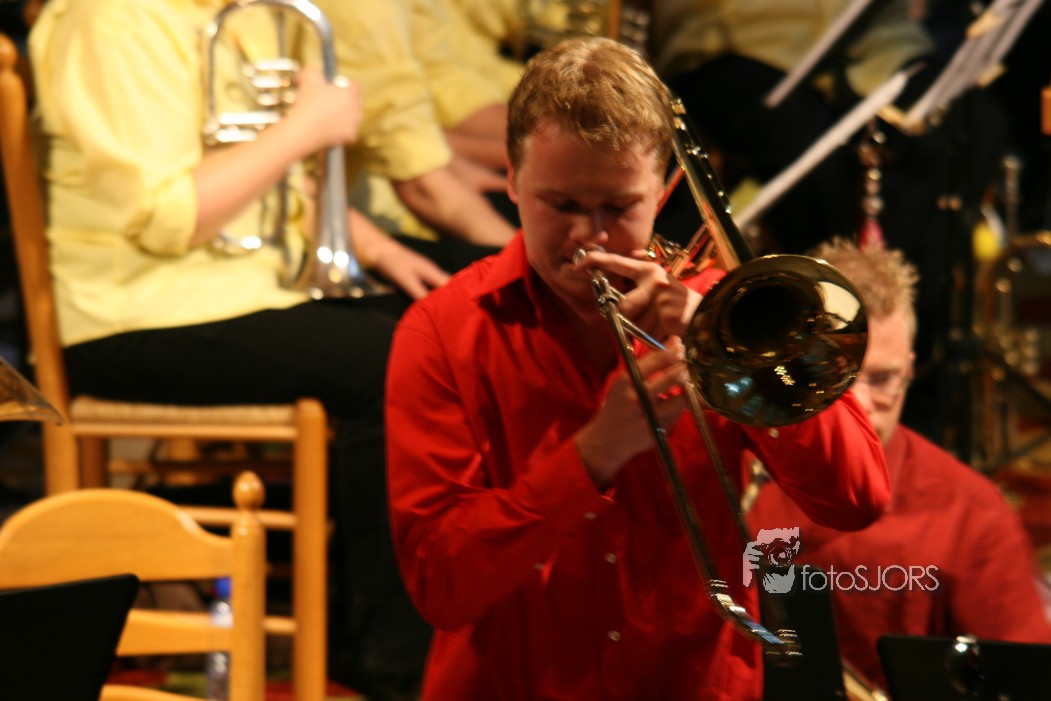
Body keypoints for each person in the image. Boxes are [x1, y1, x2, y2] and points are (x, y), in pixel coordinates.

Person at [385, 36, 890, 700]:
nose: (589, 238)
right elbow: (438, 584)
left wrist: (729, 353)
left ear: (663, 189)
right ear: (510, 179)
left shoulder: (720, 313)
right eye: (561, 205)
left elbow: (855, 499)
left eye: (618, 207)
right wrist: (594, 453)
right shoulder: (440, 330)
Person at [27, 1, 489, 697]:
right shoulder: (114, 21)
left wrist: (379, 249)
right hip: (136, 314)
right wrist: (304, 127)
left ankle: (419, 622)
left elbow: (270, 178)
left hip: (240, 285)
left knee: (455, 320)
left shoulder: (223, 15)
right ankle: (389, 657)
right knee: (394, 363)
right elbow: (169, 215)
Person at [747, 236, 1051, 692]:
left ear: (910, 370)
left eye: (883, 379)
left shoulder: (973, 516)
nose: (859, 405)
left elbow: (1022, 685)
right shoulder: (743, 473)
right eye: (835, 376)